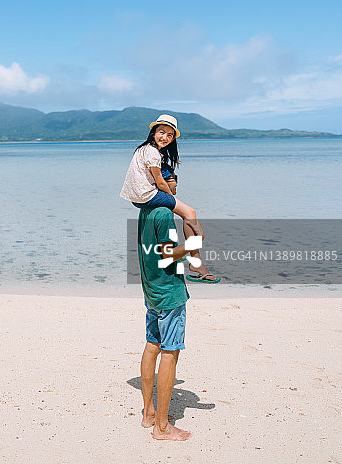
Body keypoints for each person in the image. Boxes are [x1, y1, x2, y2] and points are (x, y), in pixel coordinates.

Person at [137, 173, 203, 440]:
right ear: (159, 184)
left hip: (151, 289)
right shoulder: (164, 212)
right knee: (170, 352)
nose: (176, 182)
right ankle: (162, 427)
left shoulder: (146, 210)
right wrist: (194, 244)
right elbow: (167, 253)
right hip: (169, 292)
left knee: (152, 344)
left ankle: (149, 413)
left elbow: (151, 251)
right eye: (171, 177)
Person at [121, 114, 220, 282]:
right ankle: (196, 261)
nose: (165, 137)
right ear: (153, 133)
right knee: (189, 212)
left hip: (138, 197)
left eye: (169, 135)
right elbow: (160, 181)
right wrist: (172, 200)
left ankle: (189, 257)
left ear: (173, 138)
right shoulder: (152, 152)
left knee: (178, 210)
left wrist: (171, 203)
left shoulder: (142, 149)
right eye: (161, 132)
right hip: (147, 195)